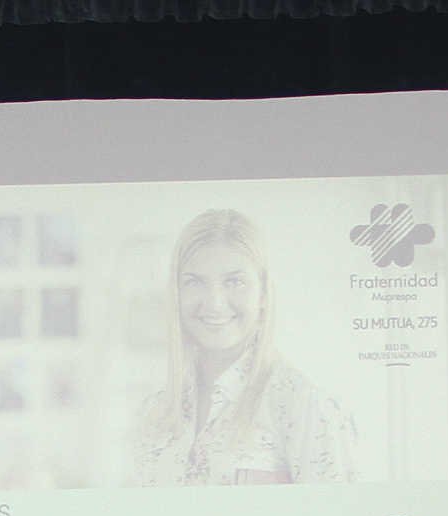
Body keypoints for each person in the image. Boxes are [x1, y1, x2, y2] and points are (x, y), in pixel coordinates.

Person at [128, 208, 356, 486]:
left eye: (234, 282)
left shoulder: (305, 405)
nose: (214, 303)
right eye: (194, 282)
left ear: (263, 294)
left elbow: (337, 513)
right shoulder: (153, 413)